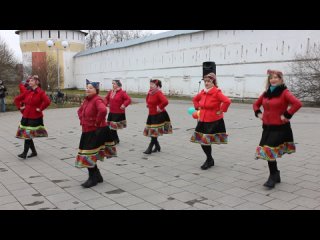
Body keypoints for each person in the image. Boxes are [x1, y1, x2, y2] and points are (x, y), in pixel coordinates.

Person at [253, 69, 302, 188]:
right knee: (268, 152)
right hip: (267, 128)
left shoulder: (284, 92)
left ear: (281, 79)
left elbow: (297, 104)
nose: (273, 79)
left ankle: (273, 176)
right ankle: (275, 174)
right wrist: (259, 113)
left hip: (280, 128)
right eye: (271, 78)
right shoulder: (266, 93)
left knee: (269, 151)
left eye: (276, 77)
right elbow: (255, 104)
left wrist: (286, 115)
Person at [76, 79, 117, 188]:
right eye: (87, 87)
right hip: (87, 130)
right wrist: (82, 119)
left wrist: (96, 122)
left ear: (96, 90)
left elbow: (103, 110)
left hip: (95, 131)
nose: (87, 89)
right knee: (89, 154)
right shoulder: (87, 100)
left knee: (88, 154)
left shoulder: (97, 100)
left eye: (90, 88)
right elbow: (80, 111)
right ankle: (97, 175)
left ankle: (92, 178)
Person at [190, 73, 231, 170]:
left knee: (205, 141)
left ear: (213, 82)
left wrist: (222, 110)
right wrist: (197, 107)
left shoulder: (217, 92)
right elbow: (195, 99)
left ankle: (209, 160)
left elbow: (227, 101)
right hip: (203, 120)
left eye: (209, 81)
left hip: (213, 121)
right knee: (202, 140)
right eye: (205, 81)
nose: (206, 83)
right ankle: (210, 159)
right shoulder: (203, 92)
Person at [14, 75, 51, 159]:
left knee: (28, 134)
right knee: (28, 134)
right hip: (26, 116)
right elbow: (16, 99)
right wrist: (20, 107)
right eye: (29, 81)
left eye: (32, 81)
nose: (29, 82)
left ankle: (24, 153)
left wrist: (40, 109)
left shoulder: (40, 92)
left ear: (36, 82)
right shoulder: (28, 91)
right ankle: (34, 152)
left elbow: (47, 102)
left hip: (35, 117)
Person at [143, 79, 172, 154]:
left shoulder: (158, 93)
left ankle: (150, 147)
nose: (151, 86)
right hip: (151, 115)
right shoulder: (150, 92)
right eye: (150, 84)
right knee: (152, 131)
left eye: (152, 85)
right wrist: (148, 104)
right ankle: (157, 146)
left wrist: (159, 107)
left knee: (154, 132)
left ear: (157, 86)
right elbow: (147, 99)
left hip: (159, 115)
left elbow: (165, 101)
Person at [105, 80, 131, 144]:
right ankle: (115, 139)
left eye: (114, 84)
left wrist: (124, 105)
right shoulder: (111, 92)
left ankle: (115, 140)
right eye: (112, 84)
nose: (113, 85)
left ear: (118, 85)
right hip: (111, 112)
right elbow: (106, 98)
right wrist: (107, 103)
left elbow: (128, 99)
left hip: (118, 112)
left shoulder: (122, 92)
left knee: (113, 127)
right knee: (110, 127)